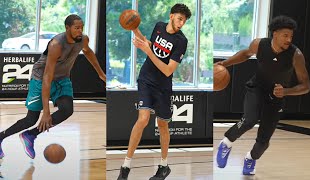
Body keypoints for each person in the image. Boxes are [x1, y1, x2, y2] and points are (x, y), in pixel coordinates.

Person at [0, 14, 106, 159]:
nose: (80, 31)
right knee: (31, 119)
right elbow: (47, 77)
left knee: (67, 110)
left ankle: (30, 135)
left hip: (62, 79)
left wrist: (101, 73)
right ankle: (1, 137)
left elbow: (87, 51)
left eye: (81, 28)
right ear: (67, 28)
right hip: (41, 78)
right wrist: (46, 112)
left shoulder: (83, 39)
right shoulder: (56, 44)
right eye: (76, 28)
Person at [215, 15, 310, 175]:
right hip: (256, 88)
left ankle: (250, 159)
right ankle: (226, 142)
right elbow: (245, 54)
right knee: (249, 120)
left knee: (263, 142)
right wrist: (224, 63)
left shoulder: (296, 55)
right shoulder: (260, 44)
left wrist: (286, 91)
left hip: (276, 97)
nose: (289, 39)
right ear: (275, 34)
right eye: (285, 35)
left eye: (291, 36)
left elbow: (306, 86)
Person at [117, 3, 191, 180]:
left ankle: (164, 166)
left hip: (163, 86)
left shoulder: (181, 41)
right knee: (142, 119)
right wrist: (135, 29)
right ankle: (125, 166)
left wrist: (148, 50)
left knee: (163, 125)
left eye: (185, 21)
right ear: (171, 15)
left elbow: (167, 70)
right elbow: (150, 46)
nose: (181, 23)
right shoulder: (158, 26)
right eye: (180, 19)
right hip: (146, 80)